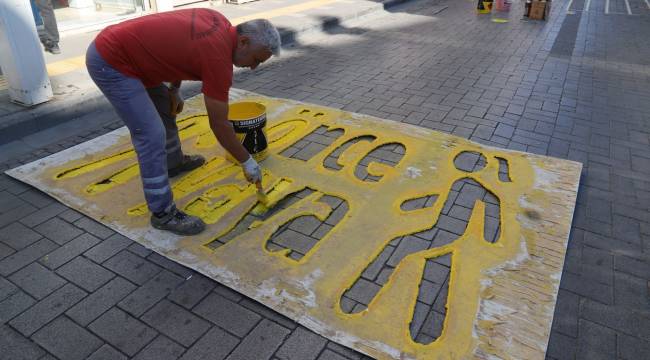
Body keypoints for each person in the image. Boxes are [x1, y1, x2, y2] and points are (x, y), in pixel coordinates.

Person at [85, 9, 281, 236]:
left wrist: (174, 89)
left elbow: (179, 54)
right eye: (256, 59)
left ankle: (173, 163)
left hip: (131, 53)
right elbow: (219, 124)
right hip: (112, 61)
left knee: (165, 110)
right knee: (150, 134)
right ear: (244, 41)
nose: (254, 67)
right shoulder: (218, 59)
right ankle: (163, 213)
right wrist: (247, 161)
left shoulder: (218, 23)